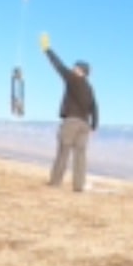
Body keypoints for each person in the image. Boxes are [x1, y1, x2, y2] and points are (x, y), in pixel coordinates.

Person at [38, 32, 99, 192]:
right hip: (84, 125)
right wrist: (94, 126)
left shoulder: (74, 79)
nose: (73, 69)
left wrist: (47, 49)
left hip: (71, 122)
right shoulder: (89, 87)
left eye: (76, 68)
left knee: (63, 151)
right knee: (80, 156)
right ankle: (78, 187)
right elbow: (95, 107)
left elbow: (58, 66)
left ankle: (55, 182)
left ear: (81, 71)